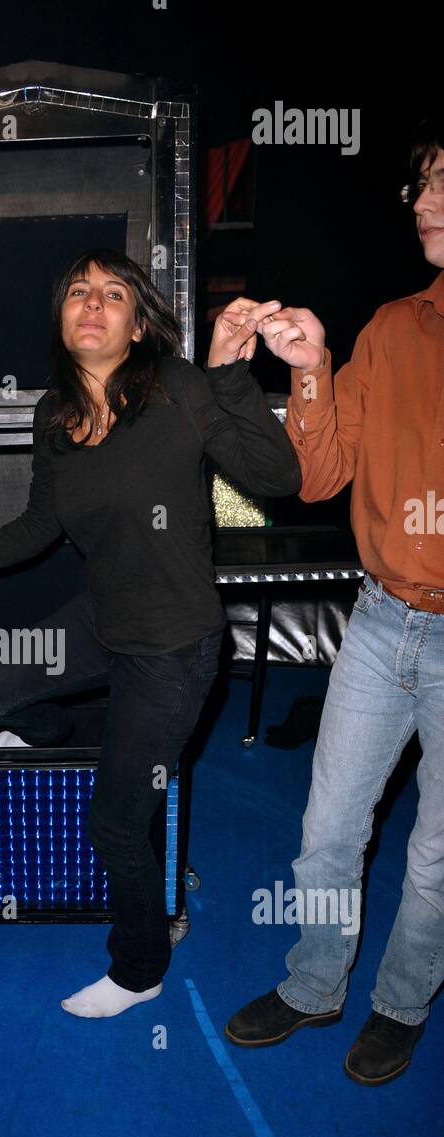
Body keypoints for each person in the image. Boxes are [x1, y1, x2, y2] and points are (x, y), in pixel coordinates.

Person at [0, 248, 301, 1017]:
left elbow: (278, 479)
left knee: (116, 825)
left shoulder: (180, 390)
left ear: (139, 322)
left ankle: (139, 968)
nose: (92, 302)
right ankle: (57, 730)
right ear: (60, 316)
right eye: (78, 290)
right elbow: (42, 522)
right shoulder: (54, 413)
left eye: (113, 294)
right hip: (99, 619)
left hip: (173, 648)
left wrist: (228, 378)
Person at [225, 115, 444, 1085]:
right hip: (377, 621)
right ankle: (315, 983)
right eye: (422, 185)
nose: (425, 203)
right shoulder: (392, 327)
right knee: (325, 833)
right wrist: (309, 366)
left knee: (436, 863)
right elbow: (319, 477)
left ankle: (399, 1001)